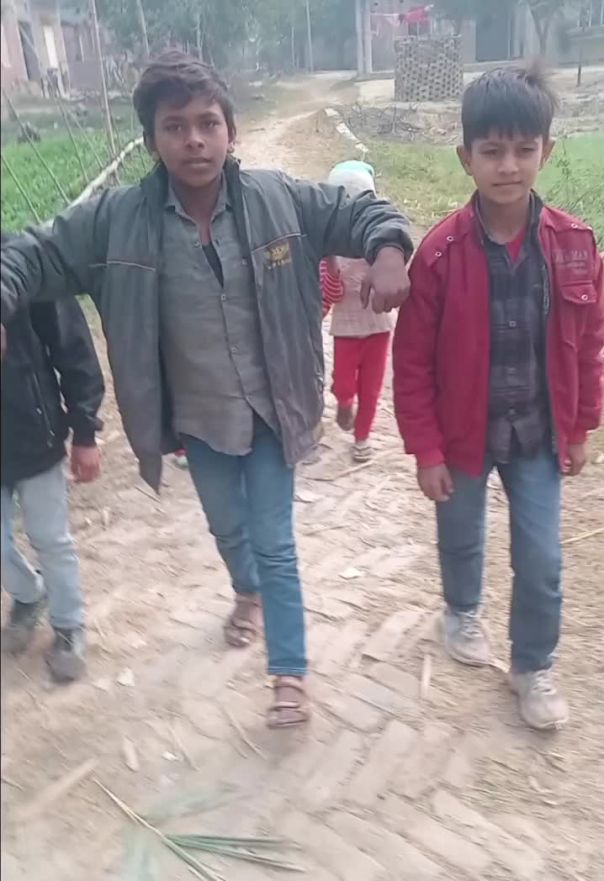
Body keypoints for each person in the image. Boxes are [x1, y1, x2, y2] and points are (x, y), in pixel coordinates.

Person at [1, 52, 413, 726]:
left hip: (273, 411)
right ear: (151, 140)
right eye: (175, 126)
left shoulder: (281, 200)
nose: (194, 139)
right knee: (228, 527)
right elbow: (31, 252)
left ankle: (288, 673)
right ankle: (245, 590)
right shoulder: (115, 222)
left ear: (231, 131)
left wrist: (390, 250)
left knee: (274, 541)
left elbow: (361, 210)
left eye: (207, 123)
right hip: (198, 422)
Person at [393, 64, 604, 731]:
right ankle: (460, 610)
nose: (508, 166)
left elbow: (589, 344)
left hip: (538, 433)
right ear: (466, 157)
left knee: (542, 558)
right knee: (460, 536)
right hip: (463, 433)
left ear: (547, 150)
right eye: (491, 151)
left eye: (522, 149)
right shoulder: (438, 254)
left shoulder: (575, 246)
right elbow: (411, 362)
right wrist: (426, 450)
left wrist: (580, 427)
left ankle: (532, 666)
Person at [1, 234, 104, 682]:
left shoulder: (26, 261)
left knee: (50, 537)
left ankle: (68, 624)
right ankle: (29, 594)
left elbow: (73, 350)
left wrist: (85, 431)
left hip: (33, 434)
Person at [321, 161, 397, 462]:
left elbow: (396, 282)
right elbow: (332, 294)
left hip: (379, 328)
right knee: (343, 382)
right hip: (345, 328)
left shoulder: (381, 242)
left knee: (371, 388)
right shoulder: (329, 246)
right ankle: (343, 402)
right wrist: (331, 263)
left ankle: (362, 437)